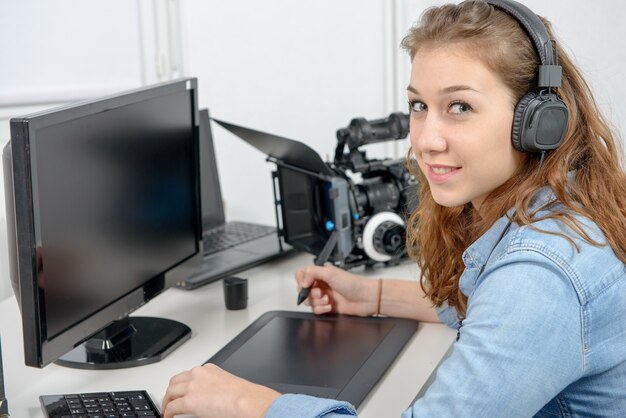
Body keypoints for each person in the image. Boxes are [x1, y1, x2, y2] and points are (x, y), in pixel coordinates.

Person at [161, 0, 626, 416]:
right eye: (419, 105)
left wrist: (251, 403)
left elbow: (516, 303)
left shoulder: (540, 275)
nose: (425, 141)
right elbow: (483, 308)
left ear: (539, 122)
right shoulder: (552, 208)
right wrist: (372, 296)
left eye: (460, 107)